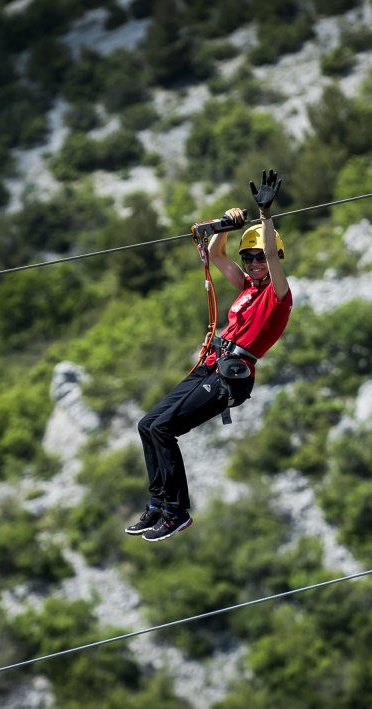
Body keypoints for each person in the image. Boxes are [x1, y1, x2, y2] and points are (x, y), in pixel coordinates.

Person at [128, 169, 291, 541]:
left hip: (231, 375)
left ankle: (176, 513)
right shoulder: (248, 286)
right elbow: (216, 253)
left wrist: (264, 215)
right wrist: (227, 223)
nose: (254, 264)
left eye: (260, 259)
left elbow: (269, 250)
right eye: (248, 259)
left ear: (274, 258)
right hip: (211, 365)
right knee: (147, 425)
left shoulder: (278, 295)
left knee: (166, 430)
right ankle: (158, 504)